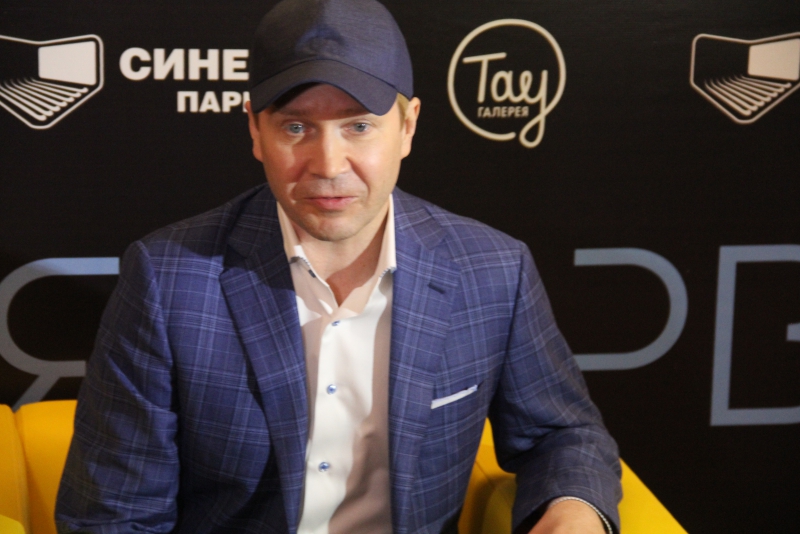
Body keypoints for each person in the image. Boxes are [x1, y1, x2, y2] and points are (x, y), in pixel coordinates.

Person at [56, 0, 621, 532]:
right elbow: (115, 513)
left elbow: (562, 433)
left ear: (408, 126)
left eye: (359, 126)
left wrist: (573, 511)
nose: (328, 165)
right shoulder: (166, 279)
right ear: (255, 130)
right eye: (295, 127)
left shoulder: (494, 268)